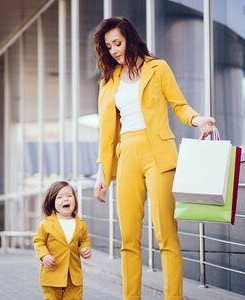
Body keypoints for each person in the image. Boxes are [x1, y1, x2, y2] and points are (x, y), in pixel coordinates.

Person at [92, 17, 216, 300]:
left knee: (166, 236)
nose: (113, 50)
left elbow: (179, 104)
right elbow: (107, 133)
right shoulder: (108, 82)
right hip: (127, 155)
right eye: (108, 46)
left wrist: (199, 120)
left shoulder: (157, 68)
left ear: (131, 39)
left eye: (118, 43)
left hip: (159, 153)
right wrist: (102, 173)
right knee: (128, 239)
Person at [33, 181, 92, 300]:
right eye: (60, 197)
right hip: (52, 275)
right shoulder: (46, 224)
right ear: (52, 202)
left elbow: (84, 240)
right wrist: (44, 256)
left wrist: (85, 249)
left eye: (69, 196)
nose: (66, 199)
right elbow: (38, 241)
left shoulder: (80, 224)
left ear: (75, 200)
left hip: (73, 277)